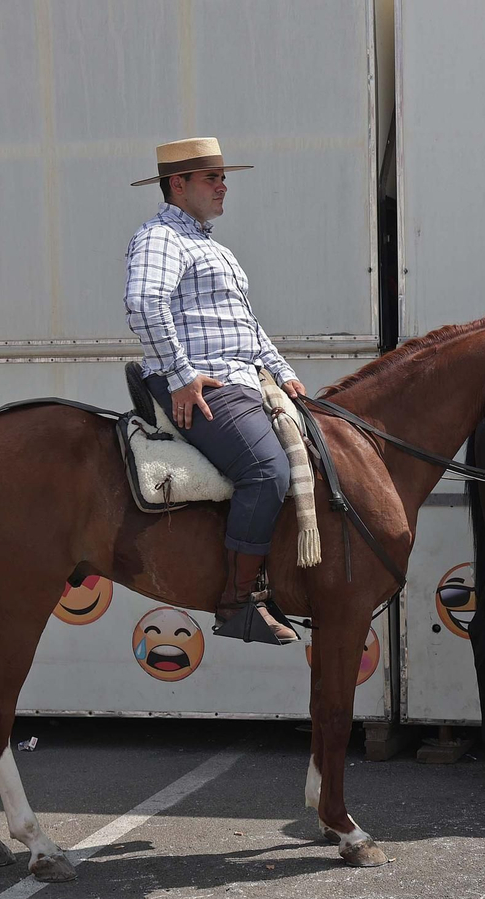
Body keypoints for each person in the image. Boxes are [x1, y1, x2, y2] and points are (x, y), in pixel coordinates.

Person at [125, 137, 305, 643]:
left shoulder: (211, 246)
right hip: (202, 384)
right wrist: (181, 376)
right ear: (178, 185)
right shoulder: (161, 236)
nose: (224, 186)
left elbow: (244, 326)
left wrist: (282, 370)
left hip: (240, 379)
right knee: (267, 469)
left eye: (224, 176)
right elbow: (143, 303)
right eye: (212, 177)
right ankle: (238, 601)